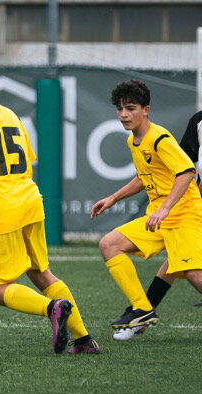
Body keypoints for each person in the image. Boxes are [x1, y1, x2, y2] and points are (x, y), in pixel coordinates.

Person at [0, 54, 99, 354]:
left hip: (3, 210)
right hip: (30, 201)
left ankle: (52, 308)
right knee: (42, 273)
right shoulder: (8, 113)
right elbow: (18, 163)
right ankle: (84, 340)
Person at [91, 80, 202, 337]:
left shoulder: (160, 138)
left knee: (195, 276)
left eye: (130, 108)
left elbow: (187, 172)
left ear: (146, 110)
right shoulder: (134, 141)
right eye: (120, 109)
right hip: (159, 216)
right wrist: (114, 198)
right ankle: (142, 308)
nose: (123, 115)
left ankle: (141, 312)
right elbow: (144, 176)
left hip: (184, 215)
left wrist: (164, 209)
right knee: (109, 244)